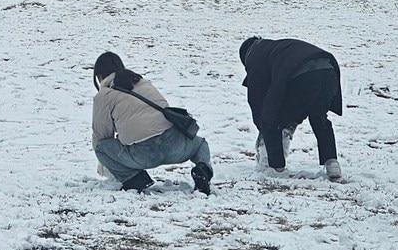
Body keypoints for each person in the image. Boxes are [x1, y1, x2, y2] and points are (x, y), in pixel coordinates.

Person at [91, 52, 213, 194]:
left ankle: (134, 180)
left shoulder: (103, 96)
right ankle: (203, 170)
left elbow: (101, 137)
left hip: (142, 154)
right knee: (200, 144)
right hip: (173, 145)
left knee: (101, 148)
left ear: (99, 76)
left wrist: (108, 167)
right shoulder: (140, 81)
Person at [239, 37, 344, 181]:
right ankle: (332, 163)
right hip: (329, 71)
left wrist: (264, 127)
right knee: (319, 117)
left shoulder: (255, 56)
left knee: (270, 118)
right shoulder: (275, 47)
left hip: (302, 76)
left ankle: (276, 167)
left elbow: (257, 100)